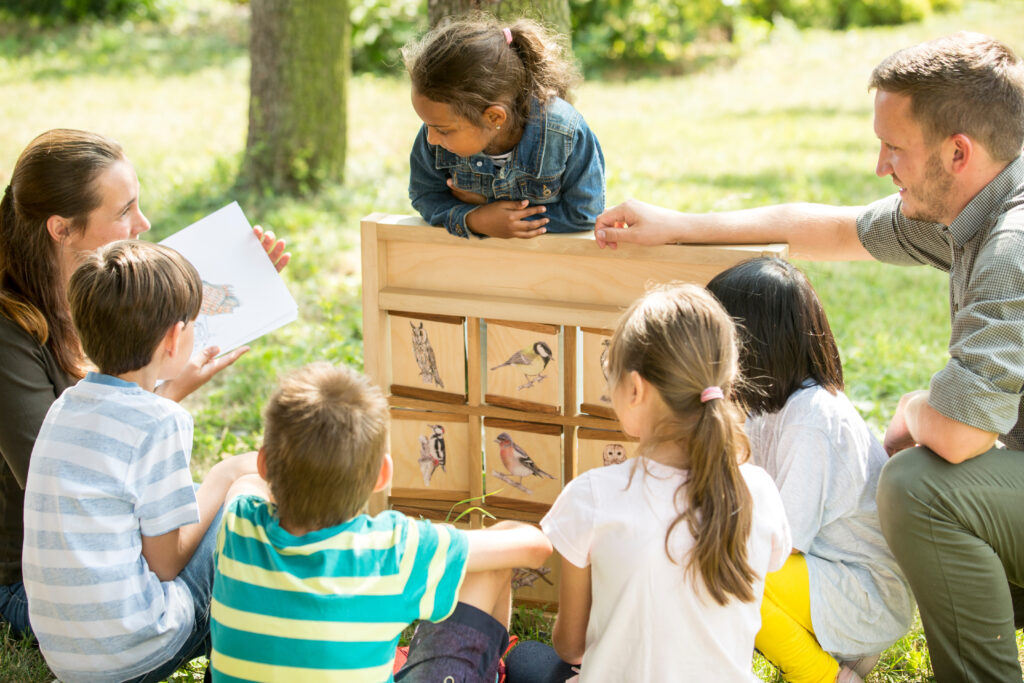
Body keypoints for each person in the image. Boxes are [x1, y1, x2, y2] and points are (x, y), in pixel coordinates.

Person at [594, 32, 1024, 683]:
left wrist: (913, 407)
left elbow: (962, 436)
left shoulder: (1008, 245)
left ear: (957, 152)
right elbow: (824, 226)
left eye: (894, 148)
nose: (881, 165)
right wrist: (679, 224)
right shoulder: (973, 207)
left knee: (919, 484)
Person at [0, 128, 288, 636]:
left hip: (112, 542)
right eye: (123, 212)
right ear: (61, 228)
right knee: (249, 513)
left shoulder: (90, 289)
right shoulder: (9, 334)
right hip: (45, 585)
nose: (144, 223)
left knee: (243, 503)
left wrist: (243, 276)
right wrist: (170, 395)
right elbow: (68, 475)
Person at [506, 284, 791, 682]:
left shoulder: (592, 496)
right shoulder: (758, 490)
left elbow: (571, 647)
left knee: (524, 661)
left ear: (635, 388)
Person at [209, 361, 553, 682]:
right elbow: (535, 548)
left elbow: (246, 480)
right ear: (382, 475)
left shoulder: (238, 523)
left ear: (265, 464)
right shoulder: (390, 548)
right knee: (492, 562)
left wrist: (294, 473)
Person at [21, 240, 265, 682]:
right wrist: (224, 475)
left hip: (66, 655)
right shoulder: (160, 421)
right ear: (175, 338)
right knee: (243, 502)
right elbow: (165, 563)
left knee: (192, 500)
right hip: (135, 654)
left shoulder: (65, 405)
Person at [706, 257, 914, 683]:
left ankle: (828, 676)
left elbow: (784, 540)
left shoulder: (812, 419)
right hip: (829, 574)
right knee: (720, 561)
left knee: (727, 574)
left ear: (748, 341)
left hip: (863, 595)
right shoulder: (772, 405)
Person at [404, 14, 605, 240]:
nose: (430, 138)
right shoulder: (438, 129)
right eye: (427, 124)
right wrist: (475, 219)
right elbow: (425, 195)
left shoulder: (564, 132)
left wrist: (496, 211)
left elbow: (584, 212)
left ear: (494, 117)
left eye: (442, 129)